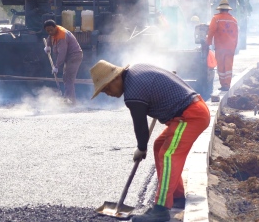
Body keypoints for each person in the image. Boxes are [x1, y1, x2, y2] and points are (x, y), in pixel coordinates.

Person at [90, 60, 210, 222]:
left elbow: (140, 125)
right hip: (189, 111)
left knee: (168, 155)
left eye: (106, 88)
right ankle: (176, 196)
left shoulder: (132, 94)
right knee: (159, 145)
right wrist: (144, 146)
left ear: (116, 79)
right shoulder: (135, 71)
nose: (108, 93)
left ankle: (160, 210)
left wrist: (141, 147)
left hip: (190, 116)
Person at [43, 19, 83, 103]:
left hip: (74, 56)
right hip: (69, 57)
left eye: (51, 30)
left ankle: (70, 101)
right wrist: (48, 46)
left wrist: (56, 66)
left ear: (55, 27)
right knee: (66, 78)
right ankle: (68, 99)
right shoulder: (54, 32)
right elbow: (50, 37)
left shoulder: (62, 36)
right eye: (47, 31)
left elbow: (62, 53)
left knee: (68, 78)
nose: (50, 32)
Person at [206, 0, 238, 91]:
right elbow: (236, 35)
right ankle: (227, 84)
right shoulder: (234, 20)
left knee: (221, 66)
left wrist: (208, 43)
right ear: (228, 9)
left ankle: (223, 84)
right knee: (228, 66)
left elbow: (211, 31)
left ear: (220, 9)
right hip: (230, 47)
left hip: (220, 47)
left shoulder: (216, 18)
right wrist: (234, 47)